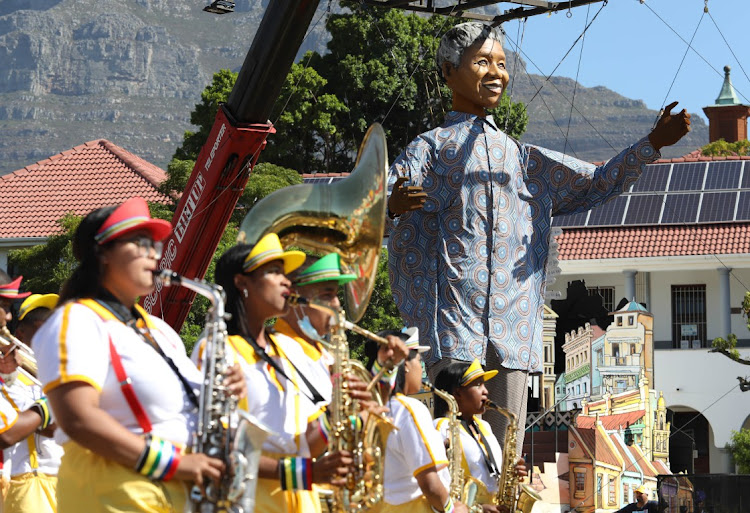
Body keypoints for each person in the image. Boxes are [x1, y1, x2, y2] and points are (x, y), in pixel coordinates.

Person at [386, 21, 692, 451]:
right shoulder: (430, 150)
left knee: (504, 451)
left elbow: (595, 182)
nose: (496, 73)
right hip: (452, 330)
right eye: (481, 62)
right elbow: (371, 206)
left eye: (501, 63)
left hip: (512, 331)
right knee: (454, 446)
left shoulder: (522, 159)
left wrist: (652, 144)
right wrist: (392, 206)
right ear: (448, 72)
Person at [33, 196, 246, 512]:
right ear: (102, 252)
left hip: (176, 495)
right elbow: (78, 419)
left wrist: (226, 390)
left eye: (155, 245)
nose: (153, 254)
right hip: (116, 495)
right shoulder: (75, 319)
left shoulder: (160, 330)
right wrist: (175, 464)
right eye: (140, 243)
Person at [200, 235, 360, 513]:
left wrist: (339, 409)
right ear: (241, 283)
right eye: (274, 272)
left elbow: (302, 444)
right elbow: (218, 449)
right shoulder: (218, 349)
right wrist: (305, 473)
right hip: (249, 503)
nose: (286, 281)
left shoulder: (285, 353)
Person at [364, 329, 468, 513]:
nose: (421, 368)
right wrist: (452, 509)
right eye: (419, 361)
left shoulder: (368, 410)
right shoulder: (410, 409)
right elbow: (430, 483)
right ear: (404, 364)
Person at [433, 360, 527, 512]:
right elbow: (438, 483)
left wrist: (511, 471)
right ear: (457, 393)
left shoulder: (484, 427)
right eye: (478, 385)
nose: (486, 391)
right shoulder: (442, 427)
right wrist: (478, 509)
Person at [0, 293, 62, 513]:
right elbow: (18, 428)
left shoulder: (59, 374)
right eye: (43, 326)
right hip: (26, 481)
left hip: (66, 479)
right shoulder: (8, 375)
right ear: (20, 333)